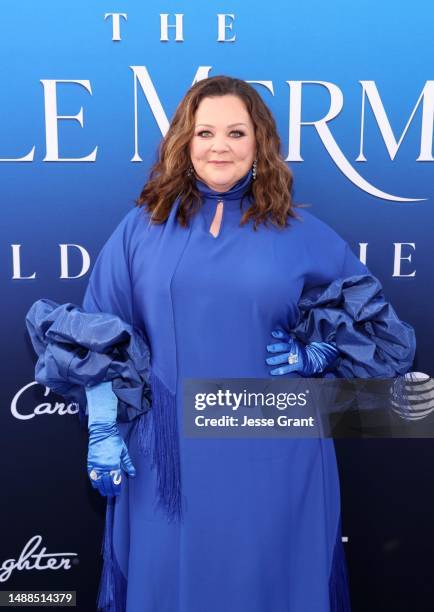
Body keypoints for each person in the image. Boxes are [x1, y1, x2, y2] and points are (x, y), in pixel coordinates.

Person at [26, 75, 416, 612]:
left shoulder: (302, 233)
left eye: (236, 132)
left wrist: (317, 354)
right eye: (205, 132)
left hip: (275, 451)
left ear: (260, 143)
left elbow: (383, 335)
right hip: (165, 460)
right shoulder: (141, 229)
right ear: (185, 143)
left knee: (269, 586)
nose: (220, 146)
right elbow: (98, 331)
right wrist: (100, 427)